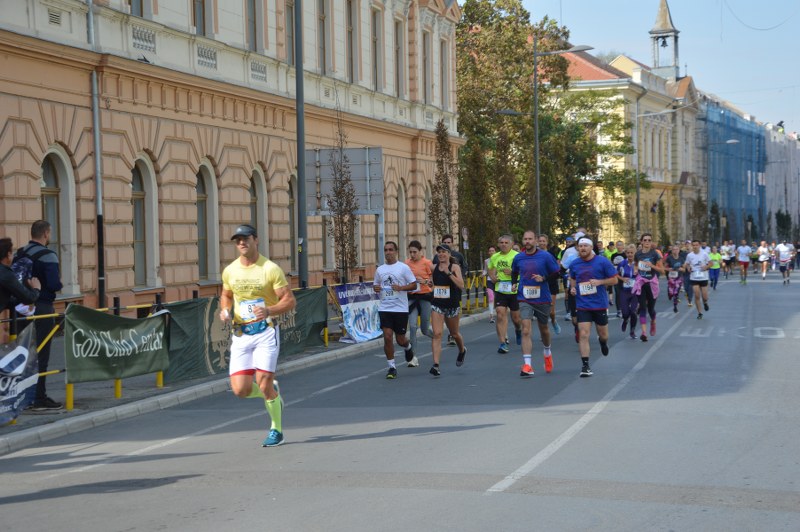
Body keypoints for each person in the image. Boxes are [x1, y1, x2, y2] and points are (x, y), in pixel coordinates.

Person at [219, 224, 297, 447]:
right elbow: (226, 295)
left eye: (246, 239)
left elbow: (289, 300)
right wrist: (225, 310)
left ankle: (276, 429)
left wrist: (269, 310)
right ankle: (273, 392)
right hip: (241, 334)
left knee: (263, 384)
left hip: (266, 332)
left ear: (256, 240)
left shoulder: (270, 269)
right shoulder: (230, 270)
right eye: (238, 240)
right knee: (240, 390)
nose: (241, 243)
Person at [15, 220, 63, 410]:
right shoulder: (49, 255)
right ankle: (39, 397)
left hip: (19, 309)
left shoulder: (20, 253)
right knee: (42, 352)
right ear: (45, 234)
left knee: (22, 352)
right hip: (41, 307)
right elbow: (52, 284)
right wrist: (59, 284)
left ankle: (20, 396)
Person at [569, 237, 618, 377]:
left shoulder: (602, 262)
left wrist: (600, 281)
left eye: (585, 246)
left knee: (603, 335)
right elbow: (572, 277)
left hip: (599, 304)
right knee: (583, 334)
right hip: (582, 304)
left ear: (591, 248)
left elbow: (614, 280)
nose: (583, 248)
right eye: (580, 246)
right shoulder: (575, 263)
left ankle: (603, 343)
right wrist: (572, 288)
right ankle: (585, 365)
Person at [514, 231, 560, 377]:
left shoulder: (545, 256)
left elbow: (556, 273)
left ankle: (547, 352)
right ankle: (527, 365)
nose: (527, 241)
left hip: (542, 297)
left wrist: (544, 278)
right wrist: (514, 283)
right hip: (524, 297)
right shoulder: (518, 257)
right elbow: (515, 272)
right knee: (526, 330)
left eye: (530, 239)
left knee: (544, 328)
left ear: (535, 241)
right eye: (525, 239)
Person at [373, 241, 418, 379]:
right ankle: (391, 367)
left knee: (400, 339)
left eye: (391, 250)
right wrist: (376, 288)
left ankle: (407, 347)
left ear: (396, 251)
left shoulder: (403, 268)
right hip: (385, 308)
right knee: (387, 336)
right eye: (386, 250)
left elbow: (414, 285)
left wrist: (401, 288)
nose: (388, 252)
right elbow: (376, 286)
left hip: (400, 309)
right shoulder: (380, 270)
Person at [428, 244, 466, 377]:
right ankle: (436, 365)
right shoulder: (434, 267)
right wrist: (430, 284)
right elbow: (434, 284)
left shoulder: (454, 267)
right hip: (437, 303)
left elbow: (461, 285)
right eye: (439, 252)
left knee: (454, 334)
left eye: (444, 252)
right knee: (437, 334)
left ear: (449, 254)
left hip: (452, 305)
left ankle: (462, 350)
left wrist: (449, 273)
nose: (441, 254)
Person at [0, 237, 41, 343]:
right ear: (8, 254)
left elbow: (4, 298)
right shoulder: (6, 273)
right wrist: (36, 288)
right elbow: (28, 298)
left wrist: (15, 301)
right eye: (12, 253)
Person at [488, 234, 521, 354]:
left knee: (516, 318)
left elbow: (524, 270)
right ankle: (502, 343)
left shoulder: (517, 256)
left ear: (512, 244)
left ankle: (518, 330)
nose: (504, 244)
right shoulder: (495, 257)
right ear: (498, 244)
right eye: (501, 242)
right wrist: (492, 277)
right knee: (500, 314)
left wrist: (513, 272)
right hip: (500, 288)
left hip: (514, 289)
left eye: (506, 243)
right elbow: (490, 267)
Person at [433, 234, 468, 345]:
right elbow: (434, 272)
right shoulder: (436, 258)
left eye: (448, 243)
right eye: (444, 242)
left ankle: (452, 334)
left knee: (453, 325)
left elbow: (464, 268)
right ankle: (436, 362)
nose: (446, 244)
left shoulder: (458, 256)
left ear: (452, 244)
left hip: (454, 289)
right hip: (440, 293)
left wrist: (455, 277)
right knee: (438, 329)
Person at [405, 240, 433, 365]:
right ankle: (413, 358)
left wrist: (425, 281)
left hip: (425, 297)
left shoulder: (427, 263)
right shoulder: (406, 264)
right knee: (412, 326)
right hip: (412, 298)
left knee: (425, 330)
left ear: (420, 252)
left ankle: (436, 338)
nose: (412, 254)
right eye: (410, 252)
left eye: (414, 252)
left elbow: (434, 281)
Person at [632, 233, 664, 342]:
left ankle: (653, 321)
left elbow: (662, 271)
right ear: (641, 242)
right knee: (642, 307)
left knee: (651, 309)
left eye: (649, 240)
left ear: (651, 242)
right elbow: (636, 265)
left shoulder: (655, 254)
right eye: (645, 240)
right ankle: (644, 333)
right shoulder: (638, 254)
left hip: (652, 283)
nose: (647, 242)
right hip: (641, 283)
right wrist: (635, 270)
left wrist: (652, 266)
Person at [537, 234, 562, 335]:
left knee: (551, 311)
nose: (542, 243)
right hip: (538, 284)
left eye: (544, 241)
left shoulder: (551, 254)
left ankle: (553, 321)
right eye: (540, 241)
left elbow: (556, 271)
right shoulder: (534, 254)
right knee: (542, 312)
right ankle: (543, 332)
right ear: (537, 242)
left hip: (550, 283)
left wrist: (546, 277)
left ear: (547, 242)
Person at [616, 244, 639, 339]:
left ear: (635, 253)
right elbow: (615, 275)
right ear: (625, 253)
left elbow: (644, 275)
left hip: (635, 291)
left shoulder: (639, 264)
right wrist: (622, 279)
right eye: (628, 253)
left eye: (632, 253)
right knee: (625, 313)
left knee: (633, 311)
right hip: (624, 291)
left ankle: (632, 330)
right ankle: (625, 320)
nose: (630, 255)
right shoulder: (622, 264)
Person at [684, 240, 711, 319]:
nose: (695, 247)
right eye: (694, 245)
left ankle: (705, 303)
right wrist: (688, 268)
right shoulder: (689, 255)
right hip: (694, 277)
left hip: (703, 277)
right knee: (697, 295)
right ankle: (700, 313)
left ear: (699, 245)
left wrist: (705, 267)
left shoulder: (704, 254)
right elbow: (687, 264)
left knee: (705, 297)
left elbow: (711, 263)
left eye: (696, 245)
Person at [664, 243, 685, 313]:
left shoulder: (681, 259)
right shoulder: (669, 258)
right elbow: (664, 267)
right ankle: (669, 294)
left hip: (679, 277)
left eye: (677, 249)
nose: (675, 251)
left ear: (679, 250)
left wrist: (681, 269)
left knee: (676, 293)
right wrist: (669, 269)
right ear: (672, 251)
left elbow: (684, 269)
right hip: (671, 277)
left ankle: (675, 306)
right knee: (671, 293)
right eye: (674, 249)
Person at [484, 245, 497, 323]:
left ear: (495, 252)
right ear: (488, 252)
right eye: (490, 251)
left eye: (493, 250)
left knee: (498, 298)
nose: (491, 252)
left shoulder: (499, 259)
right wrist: (483, 274)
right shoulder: (486, 261)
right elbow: (485, 270)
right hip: (489, 281)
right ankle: (491, 315)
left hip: (498, 281)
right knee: (491, 297)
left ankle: (499, 312)